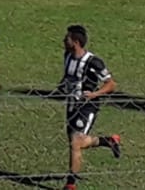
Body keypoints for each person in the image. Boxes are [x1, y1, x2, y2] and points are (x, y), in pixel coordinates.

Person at [59, 24, 122, 190]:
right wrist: (62, 86)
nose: (64, 40)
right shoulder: (67, 56)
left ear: (76, 42)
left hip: (88, 106)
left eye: (67, 38)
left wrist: (95, 94)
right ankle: (108, 141)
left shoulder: (94, 62)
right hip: (71, 104)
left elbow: (111, 84)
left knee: (76, 142)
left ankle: (71, 184)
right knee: (75, 142)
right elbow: (68, 76)